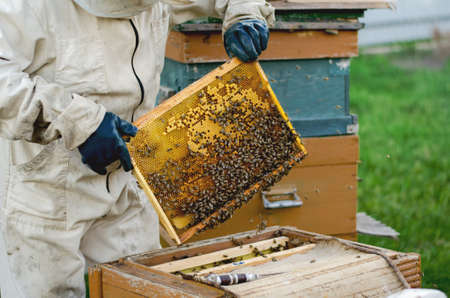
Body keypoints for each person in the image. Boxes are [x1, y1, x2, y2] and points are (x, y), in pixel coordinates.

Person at [0, 0, 274, 297]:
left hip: (129, 176)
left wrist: (245, 14)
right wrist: (77, 121)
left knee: (140, 288)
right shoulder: (27, 6)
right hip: (45, 189)